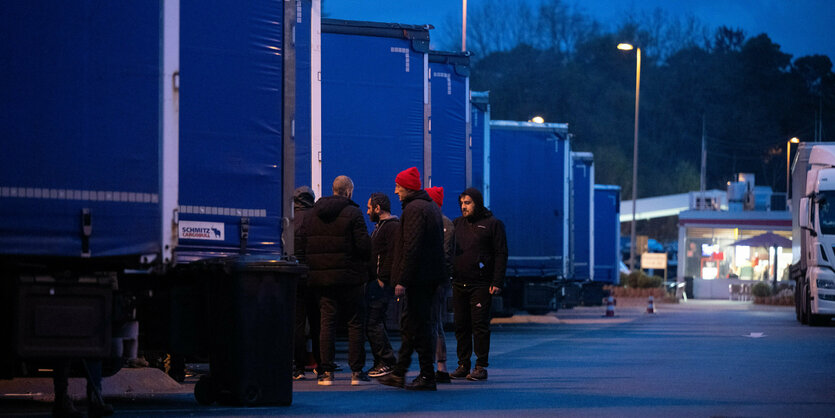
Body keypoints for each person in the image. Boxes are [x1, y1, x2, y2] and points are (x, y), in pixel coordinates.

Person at [297, 176, 370, 386]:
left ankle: (326, 373)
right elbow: (364, 246)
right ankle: (356, 373)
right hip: (350, 279)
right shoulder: (353, 212)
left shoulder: (312, 214)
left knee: (326, 323)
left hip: (322, 279)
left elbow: (303, 244)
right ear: (348, 192)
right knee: (355, 323)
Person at [378, 167, 445, 391]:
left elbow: (412, 247)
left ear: (407, 188)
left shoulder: (415, 209)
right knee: (412, 326)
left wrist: (402, 279)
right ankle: (400, 372)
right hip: (427, 279)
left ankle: (426, 376)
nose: (396, 191)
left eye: (398, 186)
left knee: (418, 327)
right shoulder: (428, 207)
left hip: (418, 280)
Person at [450, 187, 508, 381]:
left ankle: (481, 365)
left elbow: (501, 254)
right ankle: (462, 364)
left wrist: (497, 281)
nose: (464, 207)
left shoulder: (493, 224)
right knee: (460, 325)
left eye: (468, 203)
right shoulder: (457, 224)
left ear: (477, 203)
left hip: (482, 284)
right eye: (462, 203)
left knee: (479, 325)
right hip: (459, 283)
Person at [364, 192, 399, 378]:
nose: (367, 211)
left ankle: (387, 360)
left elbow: (392, 255)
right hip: (377, 282)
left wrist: (382, 278)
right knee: (374, 322)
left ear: (378, 208)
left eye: (370, 207)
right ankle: (381, 360)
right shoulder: (381, 227)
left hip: (381, 284)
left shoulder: (391, 227)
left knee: (373, 322)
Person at [425, 186, 454, 384]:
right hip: (434, 279)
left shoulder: (445, 224)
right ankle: (438, 367)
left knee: (434, 322)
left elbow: (445, 257)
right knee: (432, 322)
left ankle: (441, 366)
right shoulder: (437, 222)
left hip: (436, 281)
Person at [292, 186, 320, 380]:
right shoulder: (318, 219)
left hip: (295, 275)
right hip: (315, 275)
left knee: (297, 322)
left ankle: (298, 367)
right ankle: (321, 364)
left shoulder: (289, 220)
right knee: (319, 322)